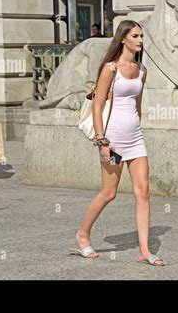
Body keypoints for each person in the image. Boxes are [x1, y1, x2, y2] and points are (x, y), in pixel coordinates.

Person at [72, 20, 164, 266]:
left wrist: (139, 128)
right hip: (111, 140)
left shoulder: (142, 70)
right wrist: (102, 141)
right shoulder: (110, 69)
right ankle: (83, 235)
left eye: (141, 36)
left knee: (143, 192)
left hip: (135, 138)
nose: (140, 40)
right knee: (109, 192)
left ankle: (144, 250)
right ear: (123, 38)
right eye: (135, 36)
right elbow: (98, 104)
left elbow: (138, 104)